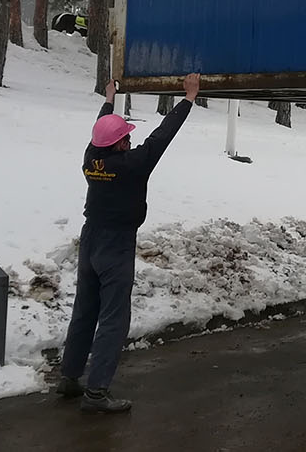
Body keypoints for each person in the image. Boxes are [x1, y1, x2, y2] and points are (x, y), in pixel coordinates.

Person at [56, 73, 200, 413]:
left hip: (90, 239)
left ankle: (69, 377)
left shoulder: (91, 160)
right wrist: (189, 99)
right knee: (113, 319)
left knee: (84, 310)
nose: (130, 142)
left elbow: (100, 130)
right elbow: (162, 137)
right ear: (119, 145)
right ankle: (96, 394)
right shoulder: (133, 165)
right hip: (117, 244)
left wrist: (109, 99)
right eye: (125, 139)